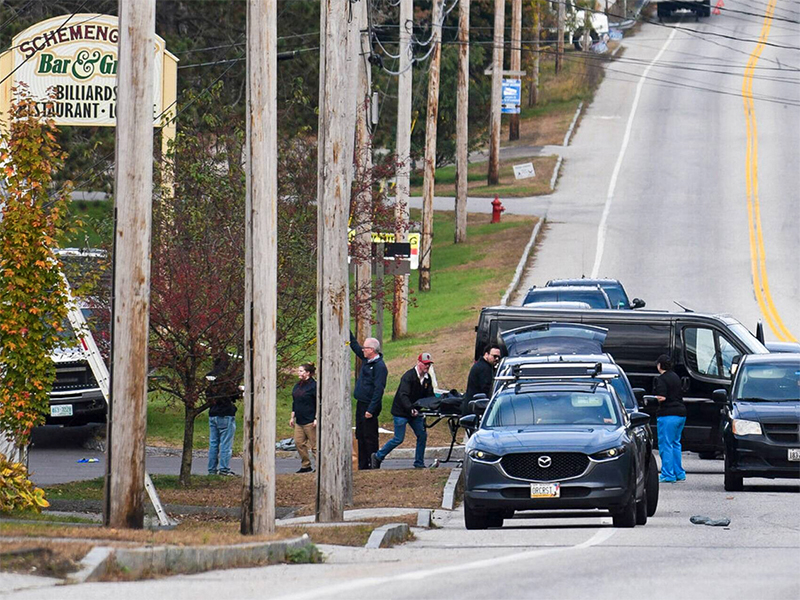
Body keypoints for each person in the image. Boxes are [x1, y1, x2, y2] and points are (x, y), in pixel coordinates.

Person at [371, 353, 435, 470]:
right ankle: (378, 456)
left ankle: (419, 463)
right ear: (419, 363)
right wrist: (411, 409)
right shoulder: (408, 376)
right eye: (425, 364)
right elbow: (403, 395)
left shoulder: (427, 379)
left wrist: (435, 405)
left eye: (429, 365)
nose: (427, 367)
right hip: (401, 412)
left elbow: (429, 396)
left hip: (414, 412)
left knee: (422, 435)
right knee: (398, 438)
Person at [349, 332, 388, 470]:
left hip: (369, 405)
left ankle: (373, 463)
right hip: (361, 403)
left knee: (369, 436)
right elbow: (354, 346)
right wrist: (346, 332)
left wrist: (371, 409)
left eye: (365, 348)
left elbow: (379, 390)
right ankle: (362, 464)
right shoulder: (367, 360)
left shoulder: (379, 367)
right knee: (360, 434)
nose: (363, 350)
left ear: (371, 350)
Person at [206, 355, 241, 476]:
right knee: (226, 444)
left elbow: (208, 394)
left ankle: (211, 469)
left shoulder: (209, 376)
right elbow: (233, 394)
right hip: (225, 413)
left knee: (213, 443)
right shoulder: (227, 379)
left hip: (213, 413)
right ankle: (224, 469)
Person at [654, 354, 687, 483]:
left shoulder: (661, 379)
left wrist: (653, 398)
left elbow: (662, 397)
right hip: (681, 414)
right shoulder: (675, 377)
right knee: (676, 444)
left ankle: (668, 474)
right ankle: (679, 472)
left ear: (659, 365)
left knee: (666, 444)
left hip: (668, 414)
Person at [290, 363, 317, 473]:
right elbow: (295, 401)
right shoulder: (298, 385)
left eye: (301, 371)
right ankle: (306, 465)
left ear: (308, 373)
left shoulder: (314, 386)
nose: (299, 373)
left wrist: (316, 418)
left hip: (310, 420)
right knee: (299, 442)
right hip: (299, 420)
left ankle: (320, 466)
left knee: (315, 445)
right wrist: (292, 416)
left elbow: (318, 402)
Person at [462, 344, 502, 414]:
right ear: (486, 354)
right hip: (475, 409)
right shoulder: (484, 369)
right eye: (494, 356)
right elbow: (487, 390)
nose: (497, 359)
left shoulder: (484, 366)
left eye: (498, 357)